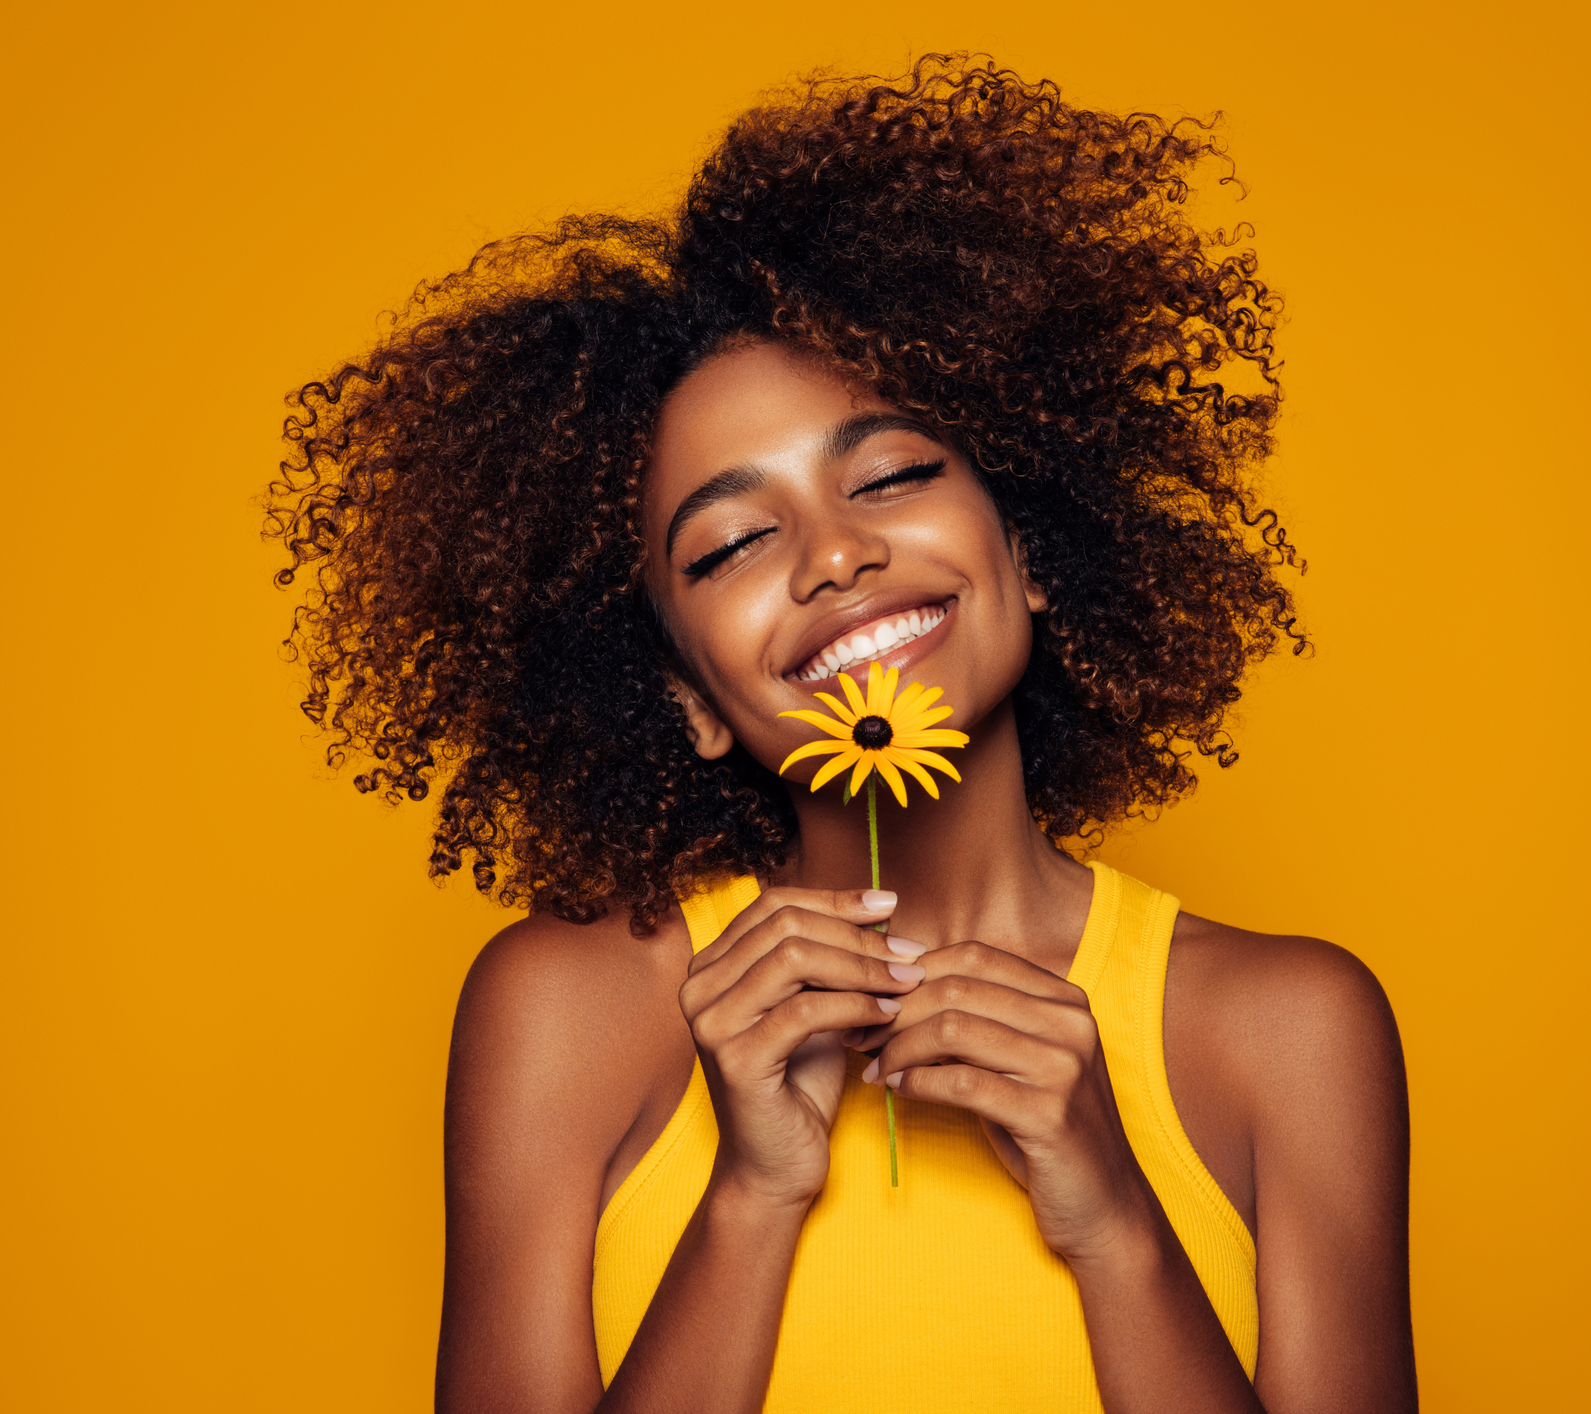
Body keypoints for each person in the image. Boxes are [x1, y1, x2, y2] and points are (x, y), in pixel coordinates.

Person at [269, 56, 1415, 1414]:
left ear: (1029, 554)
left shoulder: (1288, 1032)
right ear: (686, 697)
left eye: (889, 474)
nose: (835, 554)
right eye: (735, 541)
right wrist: (751, 1192)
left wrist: (1112, 1217)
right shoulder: (566, 1014)